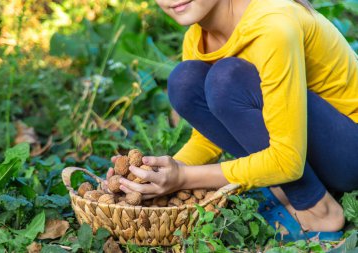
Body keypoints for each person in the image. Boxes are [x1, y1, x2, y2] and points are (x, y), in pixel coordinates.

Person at [106, 0, 358, 241]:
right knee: (185, 80)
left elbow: (289, 161)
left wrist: (184, 178)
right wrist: (154, 175)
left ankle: (319, 210)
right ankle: (289, 190)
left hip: (349, 149)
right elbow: (210, 135)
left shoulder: (274, 25)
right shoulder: (196, 38)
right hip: (309, 148)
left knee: (227, 79)